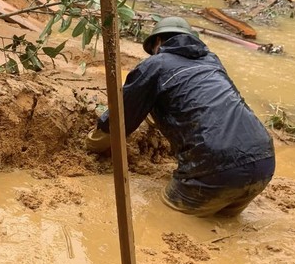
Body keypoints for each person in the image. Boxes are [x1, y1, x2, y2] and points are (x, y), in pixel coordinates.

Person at [86, 16, 275, 216]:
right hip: (264, 162)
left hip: (215, 167)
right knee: (221, 222)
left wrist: (93, 145)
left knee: (167, 218)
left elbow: (122, 115)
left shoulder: (156, 64)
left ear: (158, 42)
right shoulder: (212, 61)